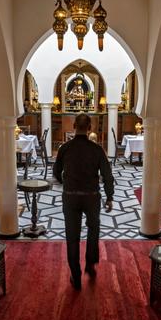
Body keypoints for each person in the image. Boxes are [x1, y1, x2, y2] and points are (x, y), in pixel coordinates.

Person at [53, 113, 114, 290]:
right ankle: (90, 266)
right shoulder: (97, 150)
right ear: (89, 128)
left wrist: (67, 183)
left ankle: (76, 275)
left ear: (74, 126)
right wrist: (109, 197)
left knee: (72, 236)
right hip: (92, 197)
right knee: (93, 230)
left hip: (71, 196)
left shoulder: (65, 148)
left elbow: (56, 172)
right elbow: (107, 175)